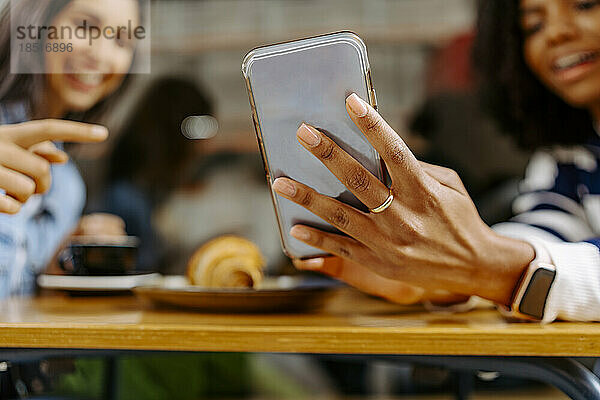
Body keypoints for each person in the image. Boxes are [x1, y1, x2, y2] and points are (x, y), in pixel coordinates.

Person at [273, 0, 600, 322]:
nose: (556, 33)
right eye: (533, 25)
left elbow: (513, 262)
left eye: (585, 6)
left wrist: (489, 266)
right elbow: (546, 235)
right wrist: (440, 279)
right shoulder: (567, 158)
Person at [0, 0, 141, 298]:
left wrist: (62, 262)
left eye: (121, 40)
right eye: (85, 26)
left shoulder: (67, 185)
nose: (100, 54)